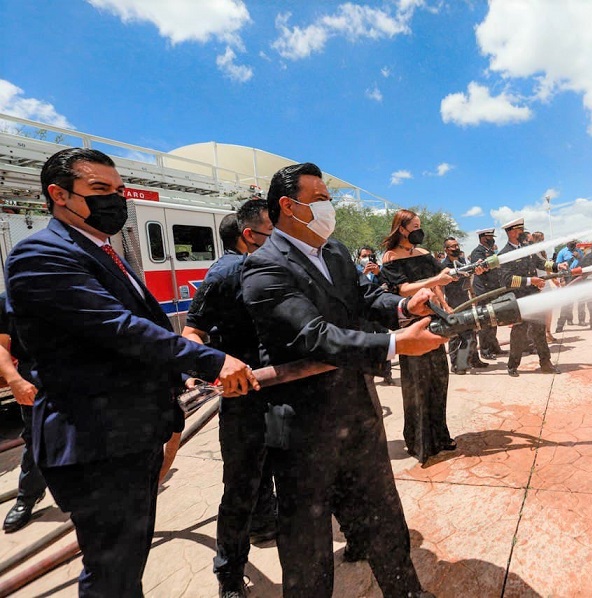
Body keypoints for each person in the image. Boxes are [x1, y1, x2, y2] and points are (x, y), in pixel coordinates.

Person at [4, 148, 258, 597]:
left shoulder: (103, 249)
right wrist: (211, 360)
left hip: (128, 435)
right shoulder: (39, 254)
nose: (116, 200)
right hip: (95, 444)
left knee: (126, 565)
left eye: (119, 190)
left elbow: (143, 328)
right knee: (112, 576)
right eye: (100, 190)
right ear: (58, 195)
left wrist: (180, 377)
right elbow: (116, 327)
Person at [241, 163, 442, 598]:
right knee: (308, 542)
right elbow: (311, 335)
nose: (329, 207)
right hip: (304, 427)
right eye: (320, 199)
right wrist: (393, 344)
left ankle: (406, 590)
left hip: (357, 411)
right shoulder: (262, 267)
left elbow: (365, 298)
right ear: (288, 206)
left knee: (385, 515)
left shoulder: (334, 252)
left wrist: (408, 308)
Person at [180, 202, 277, 597]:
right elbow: (191, 333)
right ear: (248, 233)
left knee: (275, 465)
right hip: (243, 396)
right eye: (272, 228)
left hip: (280, 389)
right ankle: (230, 575)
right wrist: (216, 366)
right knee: (240, 484)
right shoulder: (225, 273)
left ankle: (266, 523)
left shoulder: (275, 268)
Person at [380, 210, 457, 462]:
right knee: (417, 383)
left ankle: (441, 436)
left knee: (438, 378)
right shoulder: (390, 257)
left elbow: (437, 284)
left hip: (435, 320)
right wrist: (434, 279)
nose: (419, 230)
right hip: (412, 322)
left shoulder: (424, 254)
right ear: (402, 229)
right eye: (415, 226)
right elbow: (403, 289)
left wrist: (445, 306)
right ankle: (419, 441)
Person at [0, 293, 47, 533]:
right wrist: (14, 379)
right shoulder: (7, 300)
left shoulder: (73, 286)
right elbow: (1, 344)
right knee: (36, 440)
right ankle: (28, 497)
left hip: (78, 376)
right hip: (35, 380)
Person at [497, 218, 564, 377]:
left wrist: (556, 266)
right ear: (512, 232)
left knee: (539, 330)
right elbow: (506, 280)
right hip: (520, 299)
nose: (523, 233)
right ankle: (513, 365)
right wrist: (530, 281)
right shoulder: (504, 254)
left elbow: (541, 264)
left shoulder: (527, 248)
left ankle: (546, 363)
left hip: (535, 296)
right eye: (519, 230)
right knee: (519, 332)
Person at [441, 237, 489, 375]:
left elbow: (468, 279)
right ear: (446, 250)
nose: (456, 248)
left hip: (465, 301)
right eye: (452, 246)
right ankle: (456, 364)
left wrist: (473, 296)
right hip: (453, 304)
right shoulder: (444, 266)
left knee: (472, 331)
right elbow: (438, 287)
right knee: (455, 335)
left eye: (457, 245)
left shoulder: (461, 262)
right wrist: (445, 306)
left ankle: (474, 360)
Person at [356, 246, 395, 385]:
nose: (367, 258)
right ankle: (368, 376)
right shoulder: (355, 272)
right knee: (366, 344)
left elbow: (389, 285)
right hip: (364, 316)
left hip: (379, 315)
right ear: (359, 258)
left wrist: (378, 274)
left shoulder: (380, 270)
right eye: (364, 256)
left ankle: (387, 374)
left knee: (386, 343)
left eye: (369, 255)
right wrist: (364, 274)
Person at [470, 227, 504, 359]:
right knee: (484, 321)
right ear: (483, 238)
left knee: (493, 319)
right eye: (490, 238)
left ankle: (494, 347)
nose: (492, 240)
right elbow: (481, 269)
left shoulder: (490, 251)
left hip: (492, 289)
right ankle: (485, 350)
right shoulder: (477, 252)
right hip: (484, 291)